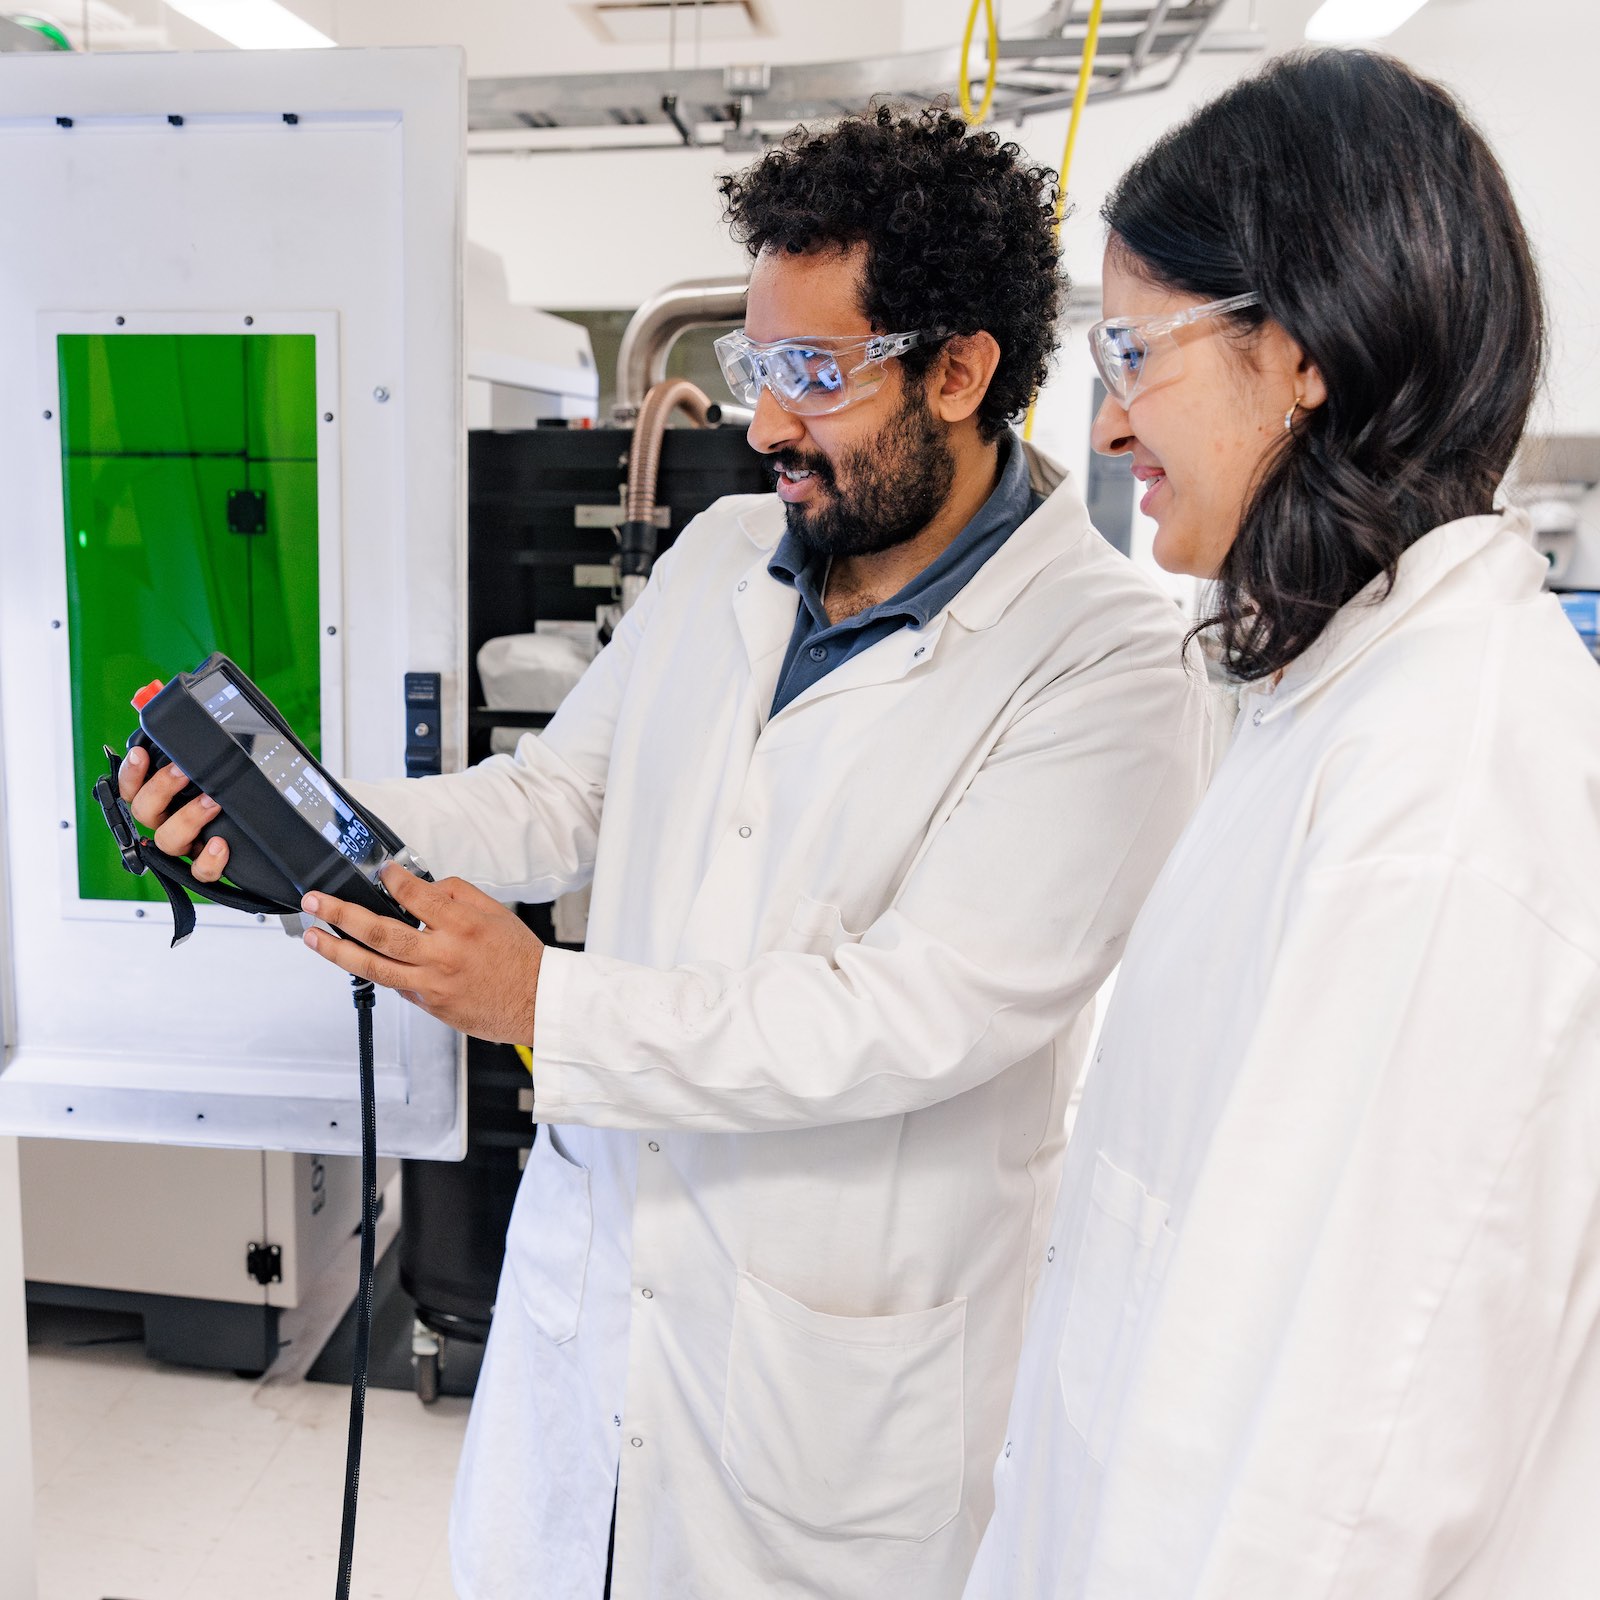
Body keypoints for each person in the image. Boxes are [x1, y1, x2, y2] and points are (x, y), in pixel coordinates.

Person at [121, 107, 1212, 1599]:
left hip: (831, 1387)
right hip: (599, 1305)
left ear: (960, 371)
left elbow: (914, 1010)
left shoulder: (1106, 667)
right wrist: (297, 819)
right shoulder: (722, 561)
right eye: (755, 367)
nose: (763, 423)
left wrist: (543, 1006)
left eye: (813, 375)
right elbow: (558, 796)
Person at [964, 49, 1600, 1600]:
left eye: (1133, 350)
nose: (1109, 426)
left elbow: (1354, 1461)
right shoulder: (1334, 695)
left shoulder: (1443, 782)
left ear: (1303, 349)